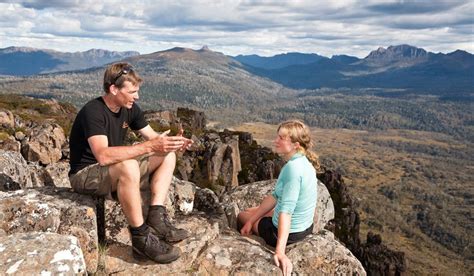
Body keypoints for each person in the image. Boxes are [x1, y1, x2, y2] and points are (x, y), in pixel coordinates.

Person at [68, 62, 193, 264]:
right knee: (129, 165)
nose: (137, 97)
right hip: (85, 175)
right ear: (114, 89)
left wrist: (172, 144)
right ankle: (140, 239)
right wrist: (149, 146)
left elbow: (153, 138)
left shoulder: (130, 108)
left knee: (167, 155)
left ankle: (156, 217)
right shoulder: (93, 112)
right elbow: (103, 156)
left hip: (112, 170)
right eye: (132, 91)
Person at [238, 120, 320, 276]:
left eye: (281, 138)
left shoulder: (292, 169)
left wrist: (280, 251)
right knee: (252, 211)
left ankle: (253, 222)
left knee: (242, 215)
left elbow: (286, 212)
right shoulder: (304, 162)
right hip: (305, 227)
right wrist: (253, 219)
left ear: (296, 145)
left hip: (290, 234)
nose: (275, 141)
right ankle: (253, 219)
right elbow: (275, 196)